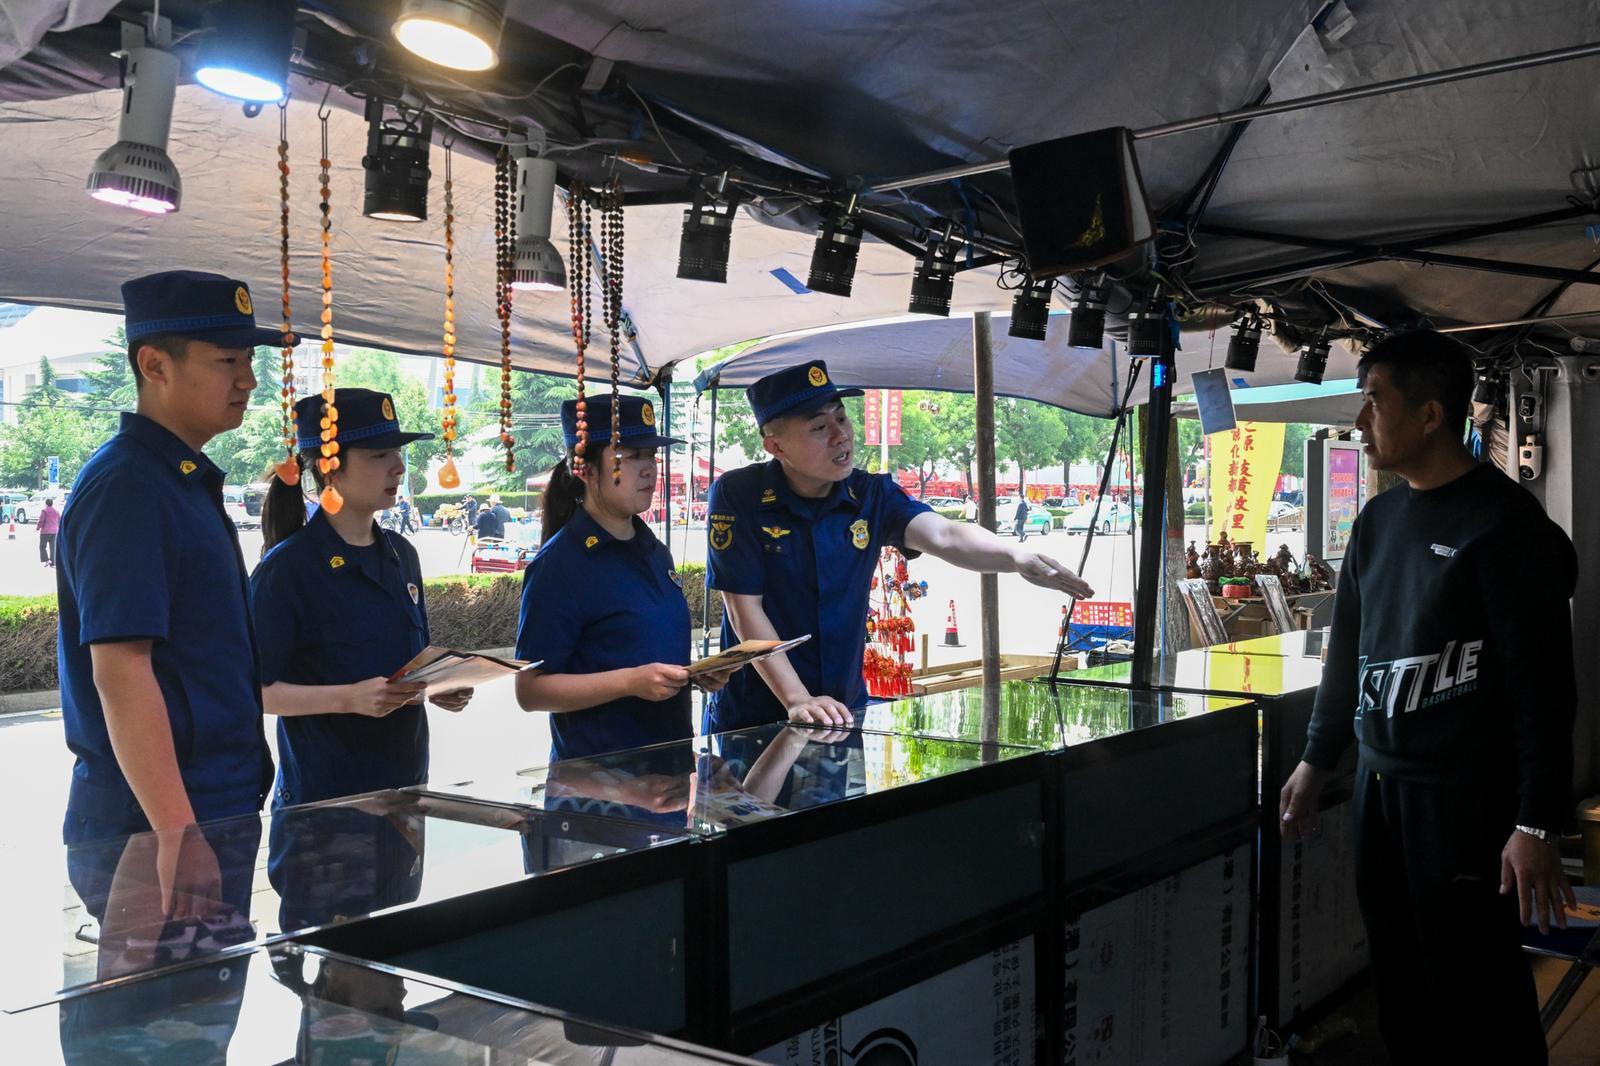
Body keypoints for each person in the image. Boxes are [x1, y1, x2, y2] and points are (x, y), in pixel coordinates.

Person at [1278, 330, 1577, 1065]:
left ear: (1431, 414)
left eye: (1375, 401)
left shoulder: (1504, 526)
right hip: (1379, 792)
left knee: (1477, 994)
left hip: (1467, 803)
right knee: (1400, 985)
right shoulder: (1378, 523)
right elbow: (1346, 655)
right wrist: (1317, 760)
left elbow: (1545, 690)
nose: (1360, 420)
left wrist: (1536, 822)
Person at [56, 270, 282, 921]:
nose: (248, 380)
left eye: (249, 361)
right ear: (154, 365)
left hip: (202, 809)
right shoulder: (129, 486)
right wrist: (177, 832)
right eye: (227, 361)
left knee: (208, 987)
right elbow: (122, 670)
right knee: (166, 993)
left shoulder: (178, 482)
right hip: (155, 824)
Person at [704, 360, 1094, 734]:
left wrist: (1015, 556)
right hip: (755, 716)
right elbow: (743, 608)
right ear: (776, 446)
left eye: (841, 418)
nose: (841, 435)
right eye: (819, 427)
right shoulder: (740, 494)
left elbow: (945, 534)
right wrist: (797, 698)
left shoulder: (870, 494)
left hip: (841, 711)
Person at [251, 388, 472, 809]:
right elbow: (250, 691)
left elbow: (404, 670)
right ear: (330, 467)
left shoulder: (401, 555)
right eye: (380, 455)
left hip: (406, 792)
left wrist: (436, 687)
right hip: (326, 805)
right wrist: (347, 698)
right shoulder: (289, 569)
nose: (399, 467)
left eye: (397, 453)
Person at [514, 395, 737, 761]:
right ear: (585, 468)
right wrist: (630, 682)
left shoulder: (655, 550)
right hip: (598, 779)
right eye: (632, 456)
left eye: (652, 455)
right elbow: (530, 690)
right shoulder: (560, 564)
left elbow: (644, 650)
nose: (649, 469)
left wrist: (692, 675)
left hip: (667, 768)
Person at [37, 495, 60, 566]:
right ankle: (53, 562)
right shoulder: (56, 511)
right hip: (54, 531)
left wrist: (38, 527)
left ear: (46, 504)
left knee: (42, 546)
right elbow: (59, 521)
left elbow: (41, 520)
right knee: (52, 547)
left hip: (45, 532)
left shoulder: (44, 511)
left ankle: (46, 560)